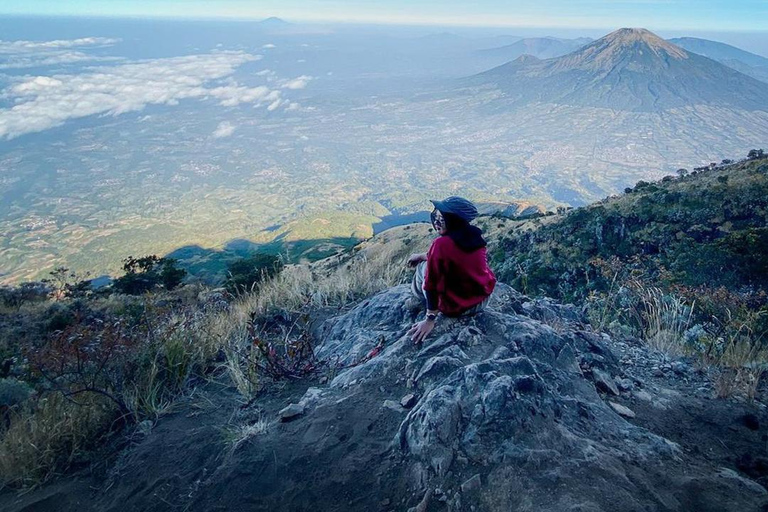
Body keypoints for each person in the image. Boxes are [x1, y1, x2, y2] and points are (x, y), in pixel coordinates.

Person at [407, 196, 497, 344]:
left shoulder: (440, 244)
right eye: (436, 217)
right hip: (482, 301)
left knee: (423, 267)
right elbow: (451, 256)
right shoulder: (474, 236)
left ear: (453, 221)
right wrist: (422, 255)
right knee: (429, 262)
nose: (437, 222)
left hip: (457, 308)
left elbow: (431, 284)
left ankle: (418, 300)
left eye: (441, 219)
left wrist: (429, 320)